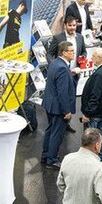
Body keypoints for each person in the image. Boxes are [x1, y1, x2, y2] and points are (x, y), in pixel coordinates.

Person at [42, 41, 77, 169]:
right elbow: (62, 92)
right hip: (58, 108)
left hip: (49, 104)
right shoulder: (63, 68)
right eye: (71, 51)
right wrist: (66, 111)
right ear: (63, 52)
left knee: (50, 131)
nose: (73, 53)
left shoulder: (55, 63)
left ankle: (45, 155)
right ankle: (52, 160)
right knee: (56, 134)